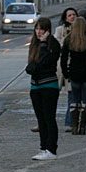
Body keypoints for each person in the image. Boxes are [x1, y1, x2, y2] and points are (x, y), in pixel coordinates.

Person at [25, 16, 61, 160]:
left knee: (49, 118)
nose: (39, 32)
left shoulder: (53, 44)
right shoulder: (34, 44)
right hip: (35, 86)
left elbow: (46, 61)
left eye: (42, 29)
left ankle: (51, 149)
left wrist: (44, 44)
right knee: (41, 119)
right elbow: (31, 66)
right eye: (37, 29)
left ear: (48, 30)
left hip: (49, 85)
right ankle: (43, 147)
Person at [60, 17, 86, 134]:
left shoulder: (69, 39)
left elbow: (63, 59)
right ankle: (82, 126)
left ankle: (74, 125)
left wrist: (66, 73)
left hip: (74, 73)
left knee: (75, 100)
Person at [54, 7, 78, 132]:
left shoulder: (80, 29)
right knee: (54, 94)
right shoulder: (59, 30)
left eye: (74, 14)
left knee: (72, 95)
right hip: (62, 66)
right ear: (65, 18)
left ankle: (70, 122)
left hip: (74, 66)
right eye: (69, 15)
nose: (72, 17)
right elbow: (57, 45)